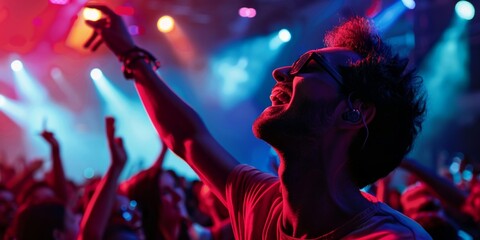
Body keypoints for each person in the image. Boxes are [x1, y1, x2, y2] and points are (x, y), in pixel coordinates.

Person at [84, 4, 431, 239]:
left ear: (354, 111)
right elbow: (187, 138)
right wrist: (130, 55)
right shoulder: (262, 203)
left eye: (307, 67)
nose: (280, 72)